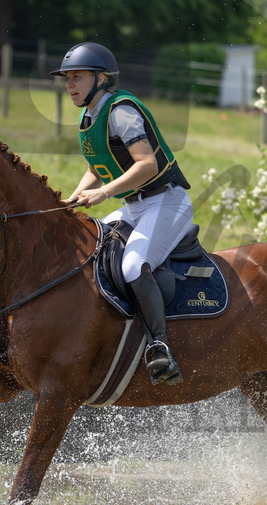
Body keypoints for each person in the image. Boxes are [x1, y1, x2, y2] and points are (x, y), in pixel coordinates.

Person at [51, 42, 194, 386]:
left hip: (167, 202)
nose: (69, 85)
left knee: (133, 265)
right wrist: (73, 198)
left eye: (77, 78)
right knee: (87, 242)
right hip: (135, 206)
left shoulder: (121, 111)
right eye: (67, 78)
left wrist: (103, 193)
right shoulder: (90, 115)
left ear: (101, 78)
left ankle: (159, 346)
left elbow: (147, 164)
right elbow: (97, 168)